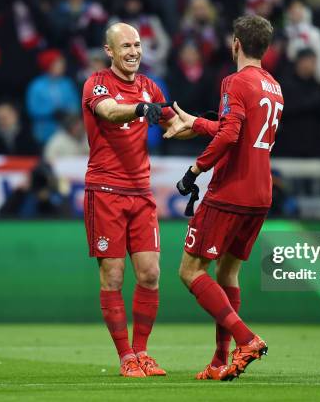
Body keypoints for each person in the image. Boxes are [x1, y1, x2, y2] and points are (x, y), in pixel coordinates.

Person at [164, 15, 284, 381]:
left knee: (190, 271)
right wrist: (198, 123)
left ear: (235, 43)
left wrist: (195, 170)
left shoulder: (234, 81)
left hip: (231, 191)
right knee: (228, 272)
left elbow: (231, 135)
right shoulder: (274, 86)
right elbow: (239, 130)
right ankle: (220, 361)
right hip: (261, 193)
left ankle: (246, 340)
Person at [82, 22, 192, 378]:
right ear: (109, 51)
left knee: (150, 273)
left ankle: (143, 352)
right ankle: (125, 356)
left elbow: (174, 123)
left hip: (140, 193)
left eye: (138, 45)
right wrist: (143, 110)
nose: (133, 51)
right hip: (106, 192)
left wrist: (212, 126)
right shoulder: (97, 83)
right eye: (125, 46)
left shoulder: (149, 86)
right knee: (112, 276)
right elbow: (111, 112)